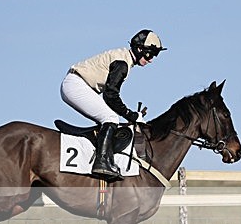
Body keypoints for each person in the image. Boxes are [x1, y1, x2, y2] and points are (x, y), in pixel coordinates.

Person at [60, 29, 166, 182]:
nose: (151, 60)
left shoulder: (124, 58)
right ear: (140, 49)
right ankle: (101, 161)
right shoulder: (122, 63)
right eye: (150, 54)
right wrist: (132, 115)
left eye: (154, 55)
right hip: (76, 84)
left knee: (109, 118)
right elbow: (110, 96)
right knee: (110, 117)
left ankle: (101, 156)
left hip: (77, 84)